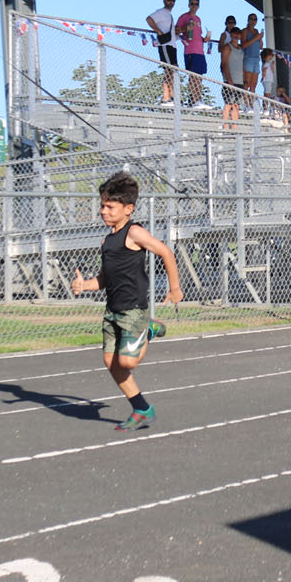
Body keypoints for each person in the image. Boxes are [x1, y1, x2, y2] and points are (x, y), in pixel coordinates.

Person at [70, 172, 182, 431]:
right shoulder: (107, 241)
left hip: (133, 311)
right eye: (102, 206)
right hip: (112, 312)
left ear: (128, 209)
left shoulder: (134, 232)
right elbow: (105, 279)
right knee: (112, 364)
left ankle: (148, 328)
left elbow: (165, 252)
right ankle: (142, 409)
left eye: (110, 207)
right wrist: (84, 285)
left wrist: (174, 288)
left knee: (128, 362)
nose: (103, 211)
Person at [146, 0, 178, 103]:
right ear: (164, 1)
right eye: (169, 0)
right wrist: (158, 31)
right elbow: (149, 19)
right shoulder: (161, 12)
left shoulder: (169, 15)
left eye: (173, 0)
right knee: (169, 69)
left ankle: (172, 95)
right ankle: (166, 97)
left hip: (172, 45)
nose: (171, 2)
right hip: (165, 45)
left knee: (173, 69)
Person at [176, 0, 208, 107]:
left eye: (196, 4)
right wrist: (187, 28)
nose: (194, 6)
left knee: (199, 76)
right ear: (189, 5)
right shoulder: (184, 17)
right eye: (192, 4)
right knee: (193, 76)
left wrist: (205, 39)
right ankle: (194, 99)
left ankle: (199, 98)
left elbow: (198, 35)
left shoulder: (198, 19)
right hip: (190, 50)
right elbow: (177, 30)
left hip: (200, 51)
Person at [220, 22, 244, 128]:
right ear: (231, 35)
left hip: (239, 80)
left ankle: (234, 127)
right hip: (229, 80)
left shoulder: (241, 48)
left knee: (236, 105)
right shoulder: (227, 47)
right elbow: (224, 64)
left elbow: (242, 64)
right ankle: (225, 126)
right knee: (228, 103)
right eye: (234, 34)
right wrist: (229, 79)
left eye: (238, 34)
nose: (236, 36)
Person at [239, 12, 263, 102]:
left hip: (256, 58)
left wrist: (260, 38)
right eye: (251, 19)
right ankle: (245, 104)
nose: (253, 21)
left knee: (254, 85)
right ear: (248, 20)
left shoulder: (256, 31)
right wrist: (255, 38)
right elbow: (243, 45)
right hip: (248, 57)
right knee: (247, 83)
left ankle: (251, 104)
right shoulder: (245, 31)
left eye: (255, 19)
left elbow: (260, 46)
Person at [260, 49, 277, 115]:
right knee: (267, 94)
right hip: (267, 80)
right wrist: (263, 77)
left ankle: (269, 107)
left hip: (269, 80)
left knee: (269, 94)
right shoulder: (266, 63)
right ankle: (265, 108)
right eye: (271, 55)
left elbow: (272, 71)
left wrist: (272, 66)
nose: (272, 57)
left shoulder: (268, 63)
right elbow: (264, 71)